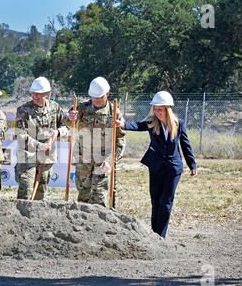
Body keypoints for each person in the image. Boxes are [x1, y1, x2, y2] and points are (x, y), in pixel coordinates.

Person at [116, 91, 197, 238]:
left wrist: (192, 165)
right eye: (155, 109)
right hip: (156, 167)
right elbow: (137, 125)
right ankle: (154, 235)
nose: (158, 112)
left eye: (161, 109)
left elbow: (186, 145)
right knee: (156, 201)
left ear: (167, 109)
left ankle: (161, 236)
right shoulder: (152, 122)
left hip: (173, 169)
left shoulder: (179, 124)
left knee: (166, 203)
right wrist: (122, 124)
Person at [68, 77, 126, 207]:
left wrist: (112, 159)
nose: (96, 100)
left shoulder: (114, 112)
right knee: (84, 195)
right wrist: (70, 117)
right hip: (84, 159)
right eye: (93, 97)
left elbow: (120, 139)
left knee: (100, 196)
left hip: (103, 159)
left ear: (107, 94)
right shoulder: (82, 108)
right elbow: (67, 121)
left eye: (99, 97)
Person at [15, 76, 68, 200]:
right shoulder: (23, 110)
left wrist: (58, 132)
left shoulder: (55, 108)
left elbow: (66, 127)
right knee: (26, 189)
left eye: (38, 94)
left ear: (47, 93)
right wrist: (40, 146)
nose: (35, 96)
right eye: (33, 93)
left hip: (47, 157)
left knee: (41, 189)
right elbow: (21, 135)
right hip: (28, 156)